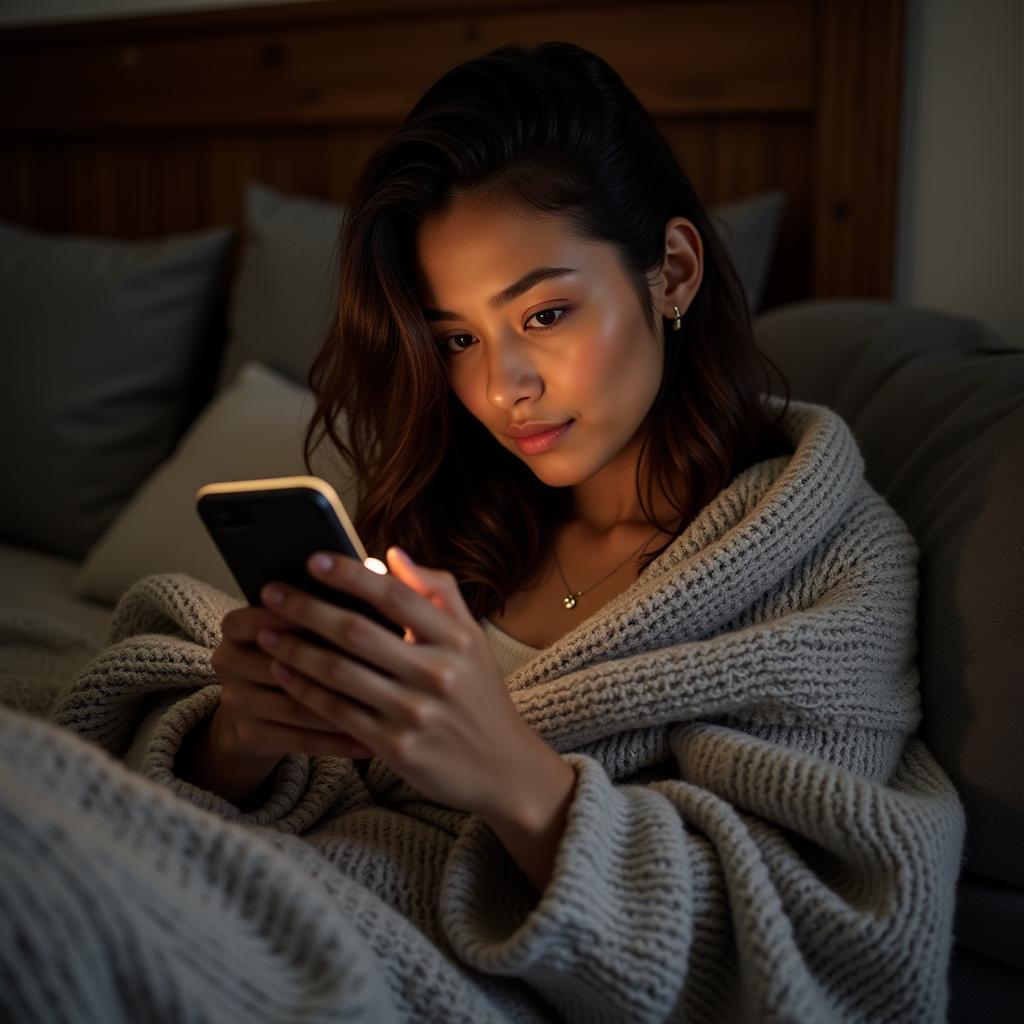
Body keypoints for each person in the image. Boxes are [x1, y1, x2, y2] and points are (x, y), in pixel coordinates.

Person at [1, 40, 964, 1024]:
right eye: (456, 337)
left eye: (544, 312)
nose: (501, 386)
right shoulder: (452, 504)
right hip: (273, 875)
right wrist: (243, 737)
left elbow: (829, 954)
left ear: (670, 271)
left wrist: (512, 772)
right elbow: (321, 770)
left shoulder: (827, 558)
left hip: (440, 964)